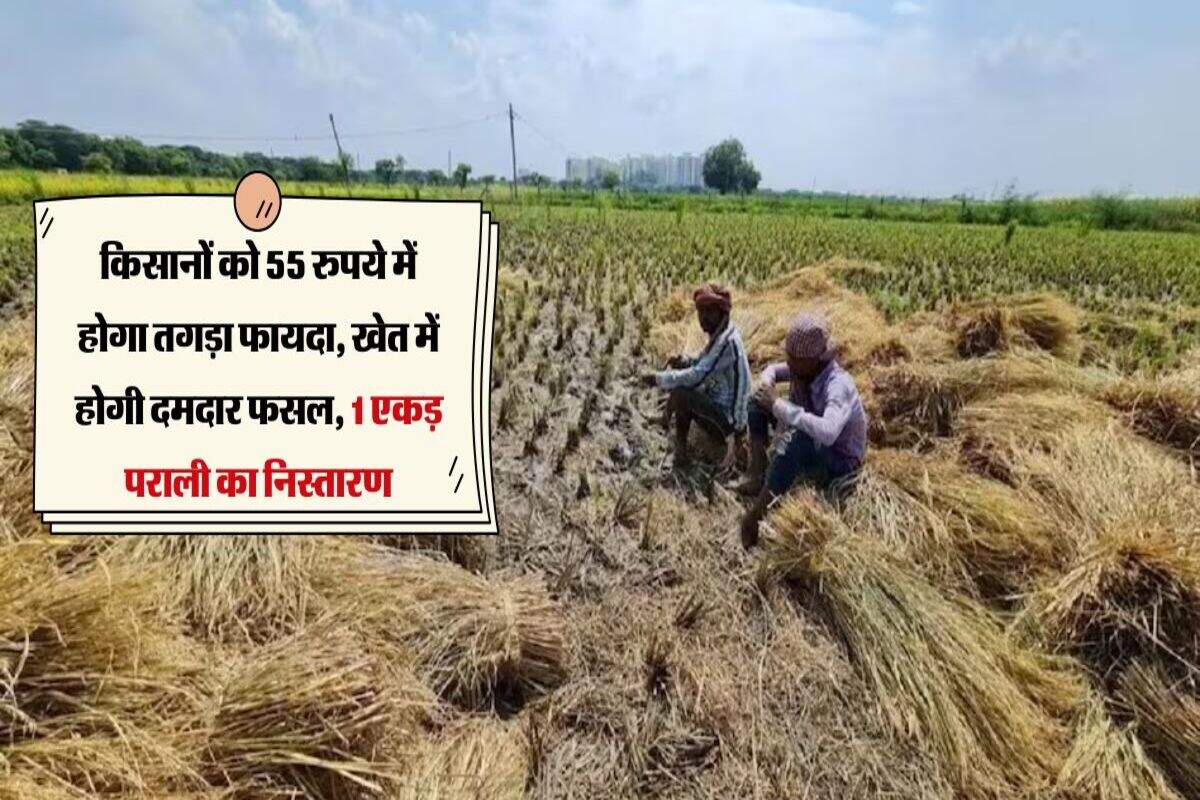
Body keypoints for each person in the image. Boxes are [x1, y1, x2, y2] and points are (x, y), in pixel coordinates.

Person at [738, 312, 867, 548]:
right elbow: (773, 370)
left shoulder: (837, 385)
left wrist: (778, 405)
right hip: (813, 442)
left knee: (798, 439)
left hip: (840, 461)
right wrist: (766, 385)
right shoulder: (804, 370)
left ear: (815, 359)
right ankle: (757, 473)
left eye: (794, 359)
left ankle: (756, 516)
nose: (789, 362)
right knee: (757, 400)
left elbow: (827, 433)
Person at [642, 282, 751, 472]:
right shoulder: (722, 334)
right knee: (683, 380)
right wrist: (684, 361)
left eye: (709, 311)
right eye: (701, 311)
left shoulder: (727, 343)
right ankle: (666, 419)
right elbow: (703, 363)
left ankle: (681, 454)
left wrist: (658, 379)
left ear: (722, 312)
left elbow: (697, 376)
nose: (703, 317)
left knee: (682, 393)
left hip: (729, 425)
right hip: (722, 410)